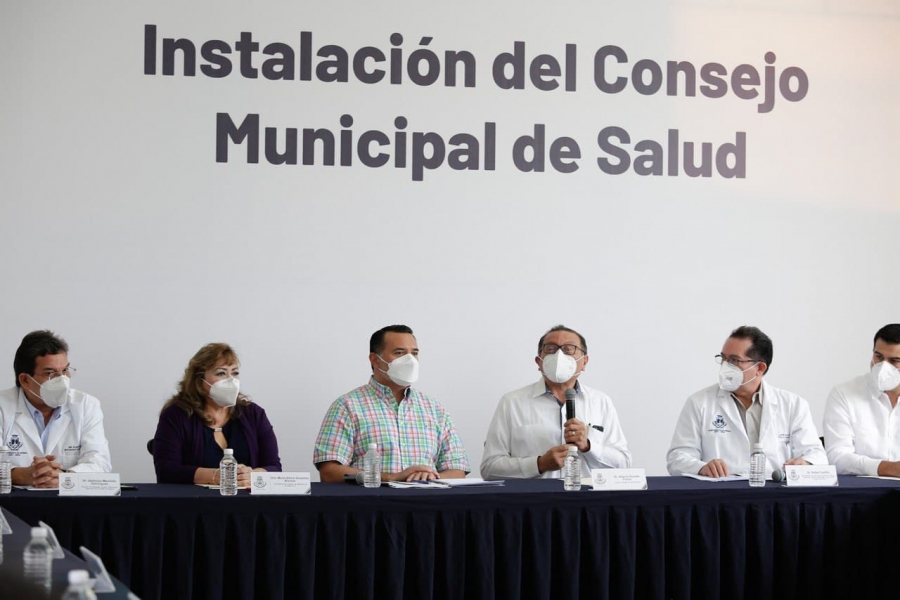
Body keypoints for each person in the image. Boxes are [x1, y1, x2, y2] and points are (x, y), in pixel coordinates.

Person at [313, 325, 469, 482]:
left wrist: (429, 478)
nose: (410, 360)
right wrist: (391, 478)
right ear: (375, 360)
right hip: (373, 497)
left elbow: (457, 470)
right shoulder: (347, 407)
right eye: (399, 353)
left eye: (414, 353)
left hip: (428, 497)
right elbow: (329, 472)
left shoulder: (435, 409)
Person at [667, 325, 826, 477]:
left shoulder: (793, 405)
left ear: (760, 368)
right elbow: (677, 458)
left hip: (774, 492)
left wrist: (806, 463)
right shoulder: (699, 402)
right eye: (723, 358)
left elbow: (816, 454)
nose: (725, 366)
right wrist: (701, 467)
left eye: (734, 360)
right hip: (721, 491)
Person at [480, 325, 631, 480]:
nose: (559, 356)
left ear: (584, 362)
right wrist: (539, 464)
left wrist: (588, 446)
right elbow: (489, 468)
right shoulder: (512, 402)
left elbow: (623, 464)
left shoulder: (600, 402)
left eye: (569, 349)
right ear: (539, 362)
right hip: (533, 495)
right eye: (551, 349)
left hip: (587, 494)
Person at [152, 343, 281, 486]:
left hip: (247, 499)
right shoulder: (175, 415)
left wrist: (254, 476)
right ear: (199, 379)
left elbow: (274, 467)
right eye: (221, 373)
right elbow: (166, 471)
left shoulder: (254, 414)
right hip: (195, 499)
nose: (231, 380)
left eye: (235, 373)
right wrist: (216, 476)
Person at [0, 330, 111, 488]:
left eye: (65, 370)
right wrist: (23, 475)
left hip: (69, 500)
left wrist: (65, 477)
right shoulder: (2, 406)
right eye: (50, 373)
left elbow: (100, 463)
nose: (62, 380)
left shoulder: (86, 405)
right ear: (25, 380)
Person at [823, 324, 900, 476]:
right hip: (862, 488)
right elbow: (837, 457)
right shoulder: (844, 394)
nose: (883, 367)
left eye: (894, 360)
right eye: (879, 357)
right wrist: (887, 468)